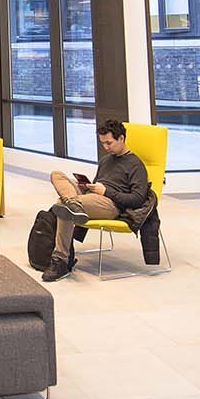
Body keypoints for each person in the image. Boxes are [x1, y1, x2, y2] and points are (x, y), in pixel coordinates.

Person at [42, 119, 151, 282]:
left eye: (109, 143)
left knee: (62, 205)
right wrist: (87, 187)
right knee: (56, 175)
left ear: (121, 138)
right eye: (103, 144)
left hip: (111, 204)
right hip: (92, 197)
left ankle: (60, 261)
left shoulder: (135, 165)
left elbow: (138, 199)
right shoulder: (106, 160)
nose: (106, 147)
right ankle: (73, 203)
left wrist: (107, 192)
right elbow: (98, 183)